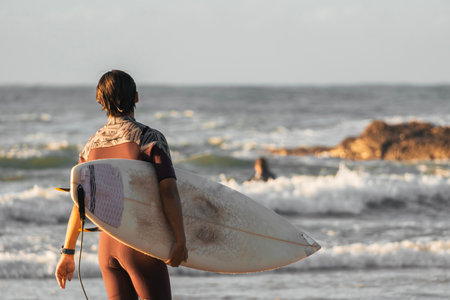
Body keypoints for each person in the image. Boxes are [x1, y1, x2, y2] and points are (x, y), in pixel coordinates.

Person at [55, 70, 188, 300]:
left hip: (107, 249)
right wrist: (180, 239)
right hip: (139, 243)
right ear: (136, 97)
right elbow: (168, 190)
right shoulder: (149, 138)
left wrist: (67, 252)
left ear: (100, 101)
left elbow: (80, 205)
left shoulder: (89, 147)